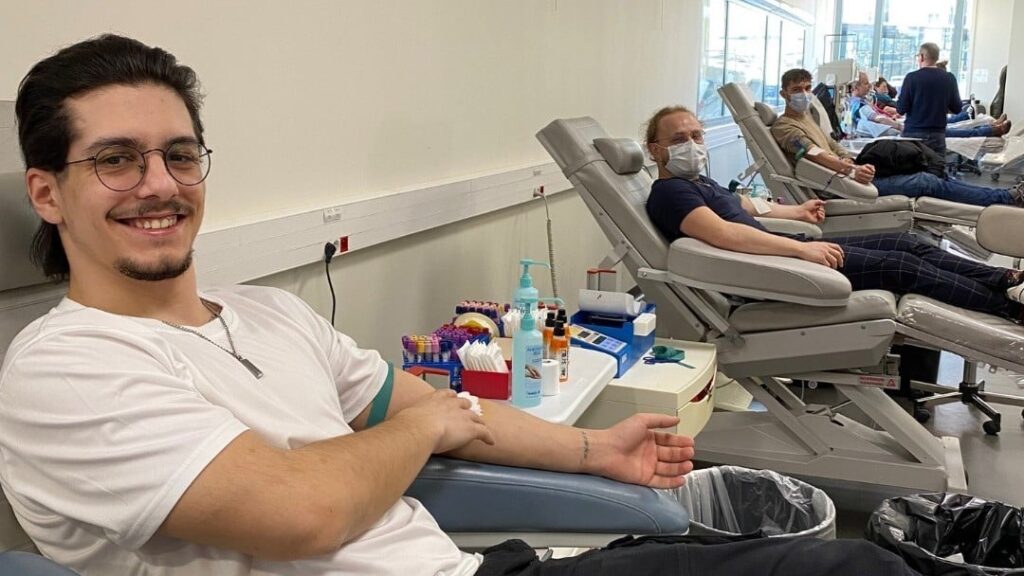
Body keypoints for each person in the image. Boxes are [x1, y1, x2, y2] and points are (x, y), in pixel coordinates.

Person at [0, 34, 921, 576]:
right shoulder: (64, 368)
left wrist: (596, 449)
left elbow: (450, 416)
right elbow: (303, 511)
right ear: (47, 192)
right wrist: (422, 423)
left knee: (848, 566)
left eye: (179, 155)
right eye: (115, 160)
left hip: (472, 568)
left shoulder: (267, 314)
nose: (158, 184)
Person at [645, 105, 1024, 321]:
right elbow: (725, 234)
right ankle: (1009, 307)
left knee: (906, 242)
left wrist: (796, 211)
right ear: (654, 150)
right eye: (679, 139)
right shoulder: (670, 192)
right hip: (771, 270)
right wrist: (802, 249)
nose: (692, 145)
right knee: (900, 267)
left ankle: (1006, 277)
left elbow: (746, 205)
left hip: (782, 252)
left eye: (696, 136)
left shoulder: (699, 182)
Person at [772, 68, 1023, 208]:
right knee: (926, 182)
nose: (804, 94)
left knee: (931, 172)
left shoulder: (808, 118)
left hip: (846, 175)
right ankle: (1005, 198)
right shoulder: (785, 127)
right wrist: (850, 169)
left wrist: (849, 160)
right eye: (796, 90)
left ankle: (1005, 195)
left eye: (807, 88)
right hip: (836, 187)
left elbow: (831, 145)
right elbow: (814, 154)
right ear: (784, 94)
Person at [849, 72, 1010, 139]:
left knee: (948, 127)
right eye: (866, 84)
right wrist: (899, 125)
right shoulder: (858, 105)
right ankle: (990, 129)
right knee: (948, 131)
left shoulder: (863, 102)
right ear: (855, 87)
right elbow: (878, 119)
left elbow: (882, 116)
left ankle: (989, 126)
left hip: (904, 127)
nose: (869, 86)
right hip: (903, 132)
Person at [897, 43, 962, 155]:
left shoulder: (911, 78)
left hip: (913, 134)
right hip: (937, 133)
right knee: (937, 164)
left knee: (912, 164)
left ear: (922, 57)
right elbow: (957, 108)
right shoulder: (949, 78)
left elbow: (901, 109)